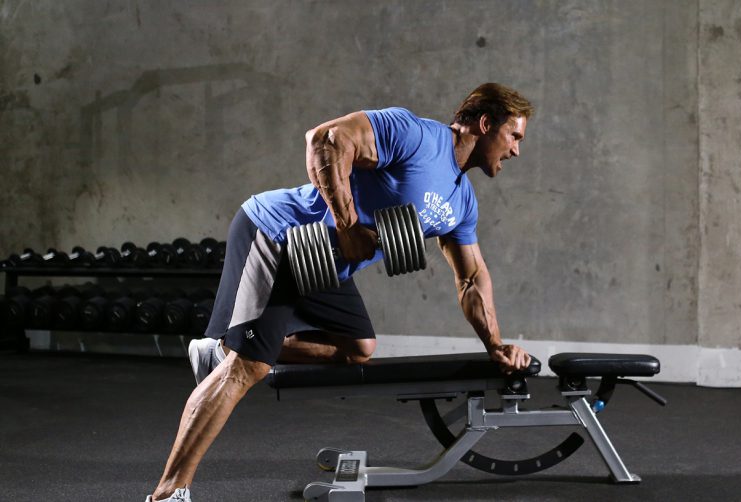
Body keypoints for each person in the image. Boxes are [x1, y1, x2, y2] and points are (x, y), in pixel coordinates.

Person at [147, 83, 534, 502]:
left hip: (323, 264)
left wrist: (495, 346)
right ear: (485, 123)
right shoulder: (417, 136)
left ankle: (223, 351)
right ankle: (169, 492)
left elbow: (472, 278)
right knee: (250, 367)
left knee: (357, 348)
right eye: (514, 136)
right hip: (279, 234)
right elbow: (326, 139)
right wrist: (348, 226)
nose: (516, 151)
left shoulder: (462, 200)